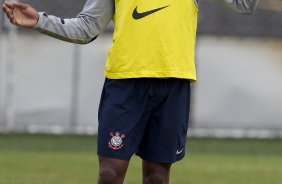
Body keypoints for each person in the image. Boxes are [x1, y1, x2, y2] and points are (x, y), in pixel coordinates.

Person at [2, 0, 258, 183]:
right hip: (126, 84)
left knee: (157, 175)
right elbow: (86, 28)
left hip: (173, 84)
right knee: (110, 172)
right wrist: (39, 21)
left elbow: (245, 5)